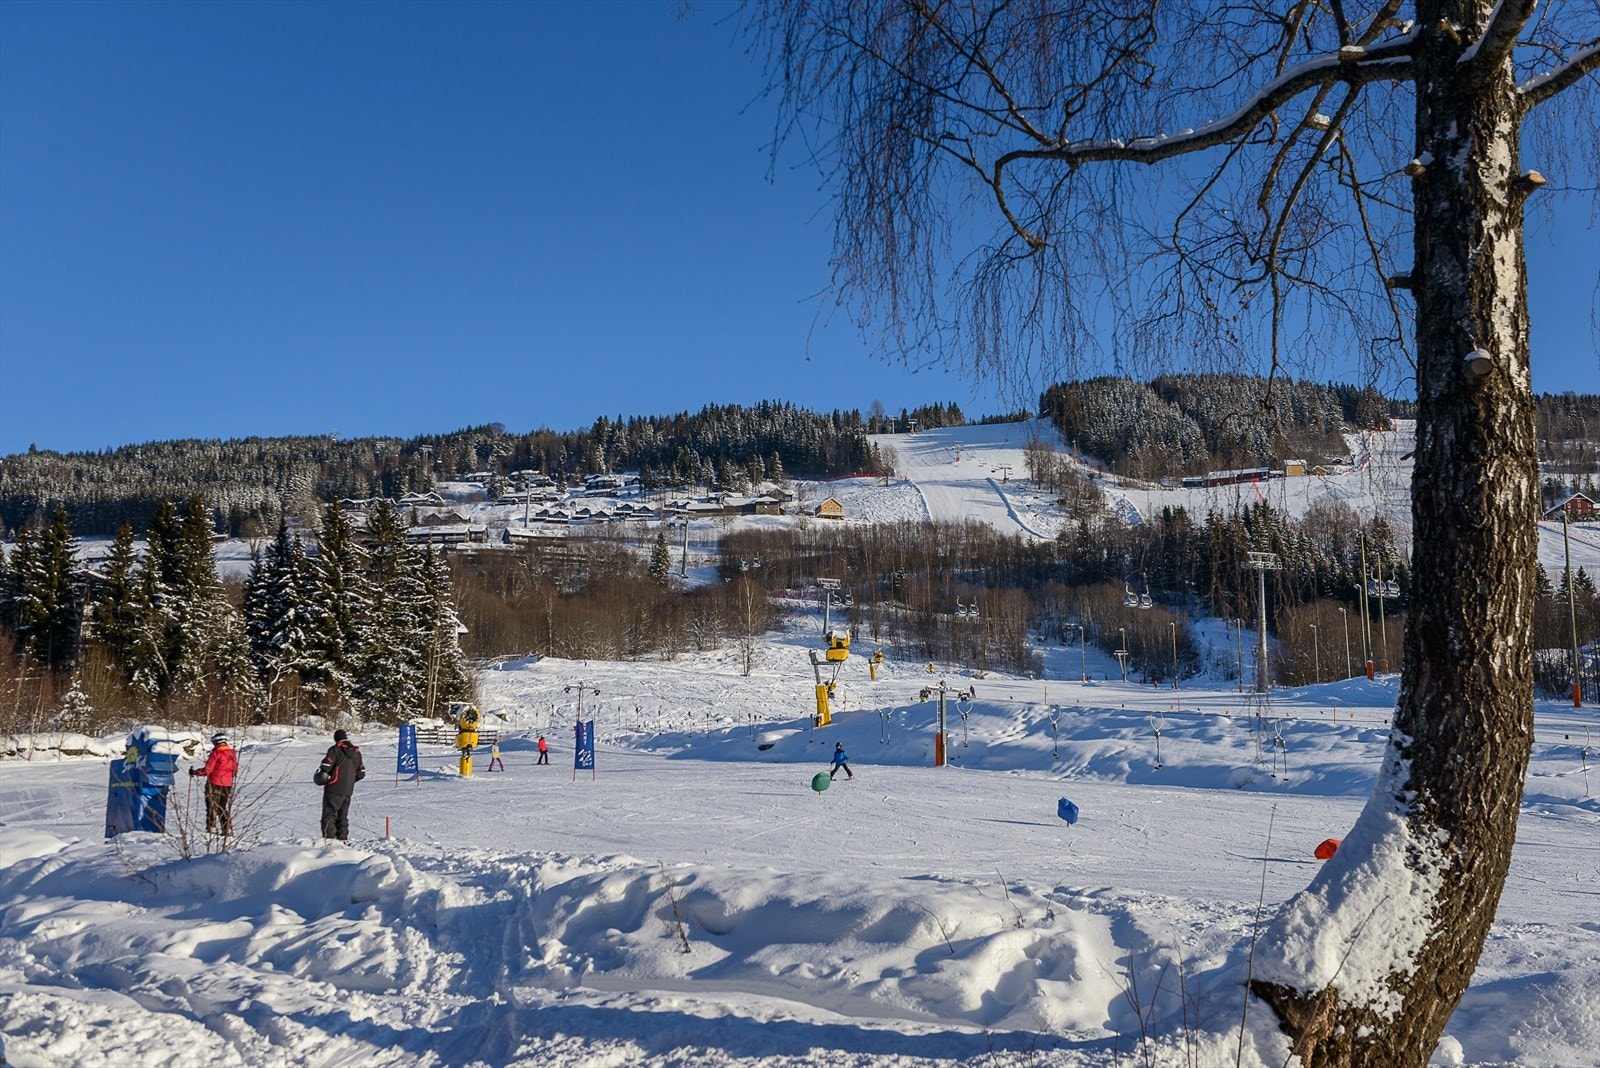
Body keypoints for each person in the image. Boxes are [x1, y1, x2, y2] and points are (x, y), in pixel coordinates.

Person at [316, 729, 365, 842]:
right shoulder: (356, 752)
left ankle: (329, 841)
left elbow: (326, 767)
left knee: (329, 816)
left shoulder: (335, 750)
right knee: (342, 816)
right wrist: (350, 781)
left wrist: (327, 776)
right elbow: (361, 774)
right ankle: (342, 840)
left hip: (333, 788)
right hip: (348, 790)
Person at [189, 733, 238, 835]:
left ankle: (212, 827)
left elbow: (207, 770)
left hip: (214, 783)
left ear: (216, 742)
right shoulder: (232, 754)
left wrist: (195, 772)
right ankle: (227, 829)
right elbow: (234, 771)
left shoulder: (216, 753)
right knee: (222, 807)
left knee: (211, 806)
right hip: (227, 784)